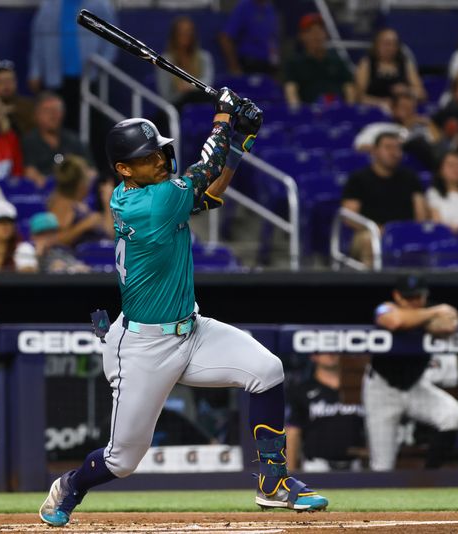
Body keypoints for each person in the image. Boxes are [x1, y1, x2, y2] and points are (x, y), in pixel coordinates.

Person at [37, 90, 327, 528]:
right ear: (123, 169)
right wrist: (224, 118)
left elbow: (206, 195)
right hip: (141, 346)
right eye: (146, 157)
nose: (158, 160)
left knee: (268, 371)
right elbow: (204, 173)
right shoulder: (147, 202)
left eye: (157, 152)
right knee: (123, 460)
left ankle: (273, 483)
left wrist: (238, 143)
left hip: (190, 330)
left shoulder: (155, 192)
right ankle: (72, 486)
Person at [366, 274, 458, 471]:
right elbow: (393, 321)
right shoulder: (385, 307)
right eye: (408, 298)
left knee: (452, 415)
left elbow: (449, 323)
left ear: (425, 295)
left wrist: (413, 319)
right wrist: (432, 314)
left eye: (417, 297)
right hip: (381, 388)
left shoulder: (427, 309)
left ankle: (428, 476)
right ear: (397, 296)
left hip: (415, 385)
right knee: (382, 466)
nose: (413, 302)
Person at [28, 0, 118, 132]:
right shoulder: (49, 6)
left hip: (90, 76)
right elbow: (38, 39)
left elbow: (112, 36)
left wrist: (104, 62)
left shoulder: (100, 5)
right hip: (56, 77)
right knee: (60, 122)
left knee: (93, 124)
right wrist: (35, 72)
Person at [341, 132, 427, 267]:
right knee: (369, 240)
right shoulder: (358, 179)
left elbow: (420, 215)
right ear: (374, 151)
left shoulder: (410, 178)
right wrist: (375, 228)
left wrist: (409, 230)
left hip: (404, 232)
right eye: (388, 147)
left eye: (397, 148)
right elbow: (350, 217)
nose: (394, 152)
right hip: (370, 232)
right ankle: (372, 285)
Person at [286, 353, 365, 472]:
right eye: (325, 349)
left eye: (334, 349)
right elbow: (293, 432)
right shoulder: (302, 390)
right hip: (317, 466)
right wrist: (290, 473)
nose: (330, 354)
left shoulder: (361, 387)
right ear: (313, 355)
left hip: (355, 466)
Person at [22, 93, 93, 188]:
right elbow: (27, 171)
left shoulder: (73, 140)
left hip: (71, 191)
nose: (53, 115)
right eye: (47, 111)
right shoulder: (28, 142)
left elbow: (91, 169)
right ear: (37, 115)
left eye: (57, 110)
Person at [354, 91, 439, 169]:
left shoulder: (421, 130)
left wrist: (429, 123)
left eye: (411, 108)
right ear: (393, 109)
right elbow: (361, 147)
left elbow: (439, 145)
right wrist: (390, 147)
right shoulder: (378, 128)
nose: (409, 112)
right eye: (404, 108)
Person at [283, 13, 354, 108]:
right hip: (309, 115)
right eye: (311, 31)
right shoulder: (295, 63)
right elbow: (291, 90)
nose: (316, 35)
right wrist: (297, 112)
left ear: (326, 34)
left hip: (337, 112)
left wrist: (349, 109)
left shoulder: (337, 60)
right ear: (302, 36)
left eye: (320, 30)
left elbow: (349, 87)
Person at [48, 154, 113, 248]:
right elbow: (56, 240)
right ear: (80, 184)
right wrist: (85, 225)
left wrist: (107, 202)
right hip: (76, 259)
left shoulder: (78, 204)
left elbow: (109, 234)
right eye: (87, 177)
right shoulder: (62, 204)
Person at [355, 28, 426, 110]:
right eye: (387, 44)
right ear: (377, 44)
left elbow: (422, 95)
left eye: (394, 44)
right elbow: (359, 97)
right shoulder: (366, 64)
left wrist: (407, 91)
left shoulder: (405, 64)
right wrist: (382, 103)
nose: (390, 48)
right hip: (374, 110)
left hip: (401, 112)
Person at [156, 17, 214, 107]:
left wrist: (188, 86)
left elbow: (208, 84)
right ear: (174, 35)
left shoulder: (204, 57)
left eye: (189, 31)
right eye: (181, 32)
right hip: (175, 105)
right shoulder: (165, 60)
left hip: (199, 101)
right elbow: (165, 95)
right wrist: (184, 93)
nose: (186, 35)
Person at [218, 0, 280, 76]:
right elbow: (225, 38)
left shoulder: (270, 9)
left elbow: (272, 40)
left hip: (267, 68)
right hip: (248, 66)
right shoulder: (244, 7)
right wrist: (234, 67)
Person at [0, 59, 34, 136]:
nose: (6, 86)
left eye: (9, 81)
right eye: (0, 82)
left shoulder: (29, 106)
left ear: (16, 82)